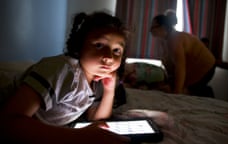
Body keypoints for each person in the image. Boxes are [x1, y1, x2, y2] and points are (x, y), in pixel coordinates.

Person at [0, 11, 130, 143]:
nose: (109, 57)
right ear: (80, 45)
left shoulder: (98, 80)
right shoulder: (62, 70)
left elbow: (96, 119)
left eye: (116, 50)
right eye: (99, 45)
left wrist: (109, 91)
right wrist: (80, 137)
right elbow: (8, 122)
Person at [150, 13, 216, 96]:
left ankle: (207, 93)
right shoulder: (167, 40)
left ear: (162, 27)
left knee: (188, 91)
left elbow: (180, 67)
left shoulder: (174, 40)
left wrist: (176, 92)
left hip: (206, 67)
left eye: (153, 27)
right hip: (196, 67)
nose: (150, 30)